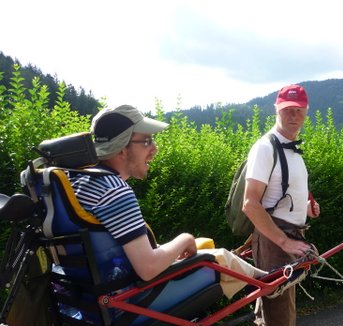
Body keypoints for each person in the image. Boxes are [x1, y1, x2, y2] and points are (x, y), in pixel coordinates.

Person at [69, 104, 265, 295]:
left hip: (92, 295)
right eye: (146, 141)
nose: (155, 148)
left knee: (205, 246)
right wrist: (184, 239)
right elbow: (148, 268)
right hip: (131, 299)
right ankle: (266, 281)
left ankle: (262, 278)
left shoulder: (76, 182)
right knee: (216, 258)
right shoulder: (114, 191)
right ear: (122, 148)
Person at [243, 84, 320, 326]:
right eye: (288, 110)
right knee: (279, 318)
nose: (294, 116)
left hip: (286, 235)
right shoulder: (266, 147)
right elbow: (250, 203)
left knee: (271, 312)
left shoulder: (292, 150)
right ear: (277, 110)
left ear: (306, 113)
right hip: (276, 238)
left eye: (299, 111)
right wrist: (285, 241)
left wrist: (306, 208)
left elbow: (283, 190)